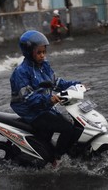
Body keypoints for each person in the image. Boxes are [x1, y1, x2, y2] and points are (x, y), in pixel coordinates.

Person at [10, 30, 83, 159]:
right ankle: (57, 159)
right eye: (39, 53)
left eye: (44, 52)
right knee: (67, 128)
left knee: (76, 125)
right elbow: (29, 98)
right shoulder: (21, 72)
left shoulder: (44, 65)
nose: (42, 55)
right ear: (29, 52)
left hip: (45, 108)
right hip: (32, 112)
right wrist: (50, 100)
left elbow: (56, 82)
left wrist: (77, 84)